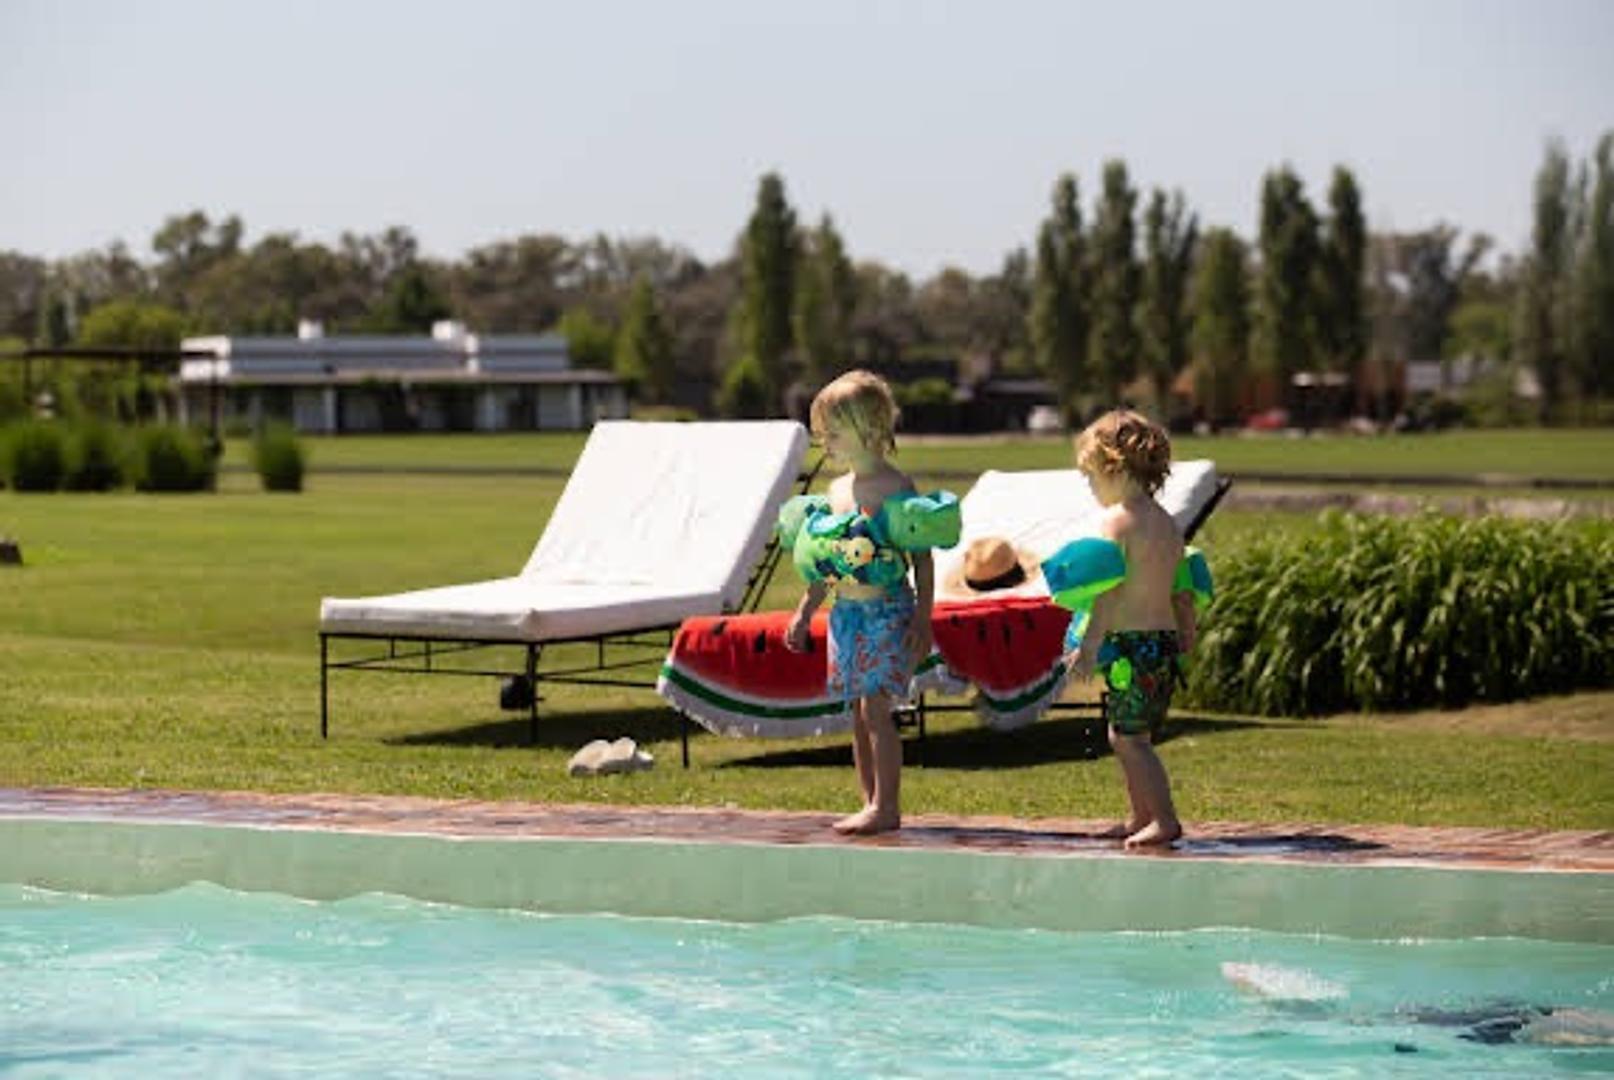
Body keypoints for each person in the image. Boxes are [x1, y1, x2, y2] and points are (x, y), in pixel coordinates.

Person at [778, 370, 961, 835]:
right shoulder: (837, 493)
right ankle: (869, 800)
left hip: (887, 611)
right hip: (847, 613)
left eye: (833, 433)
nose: (826, 443)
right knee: (857, 712)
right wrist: (804, 611)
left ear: (872, 430)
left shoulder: (896, 488)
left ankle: (887, 806)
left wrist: (924, 617)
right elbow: (828, 562)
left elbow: (921, 560)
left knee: (876, 710)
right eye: (822, 434)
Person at [1041, 409, 1212, 849]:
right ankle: (1141, 816)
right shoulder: (1168, 524)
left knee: (1128, 738)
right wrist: (1187, 632)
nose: (1091, 487)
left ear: (1113, 467)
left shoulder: (1117, 522)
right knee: (1134, 734)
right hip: (1161, 643)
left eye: (1091, 477)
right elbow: (1181, 590)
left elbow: (1109, 592)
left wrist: (1090, 644)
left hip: (1130, 646)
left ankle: (1165, 820)